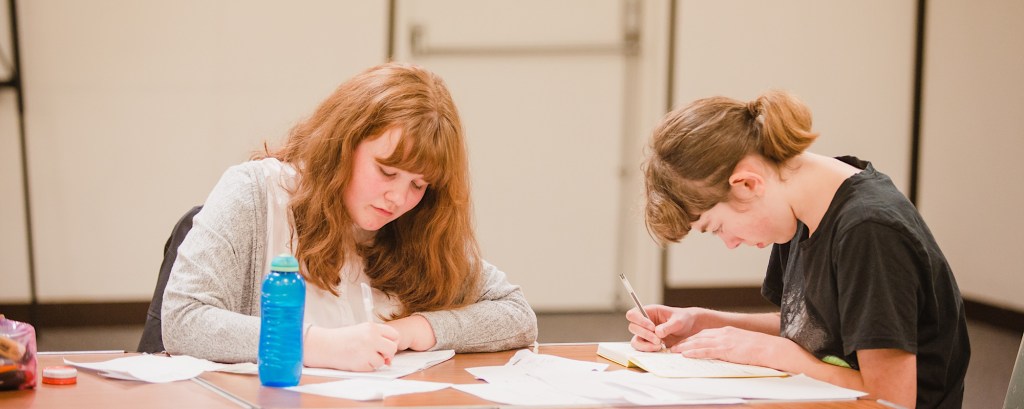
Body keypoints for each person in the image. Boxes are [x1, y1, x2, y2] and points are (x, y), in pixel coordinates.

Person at [162, 62, 538, 372]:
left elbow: (516, 314)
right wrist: (317, 345)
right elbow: (183, 319)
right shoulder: (254, 193)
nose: (398, 199)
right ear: (344, 143)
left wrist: (416, 329)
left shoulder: (416, 223)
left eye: (418, 184)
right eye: (387, 172)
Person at [631, 90, 969, 408]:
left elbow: (890, 399)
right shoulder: (802, 209)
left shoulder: (868, 231)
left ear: (748, 184)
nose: (731, 243)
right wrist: (702, 323)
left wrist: (781, 355)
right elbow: (811, 327)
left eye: (717, 227)